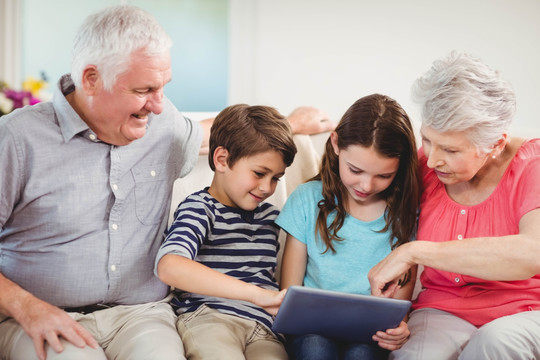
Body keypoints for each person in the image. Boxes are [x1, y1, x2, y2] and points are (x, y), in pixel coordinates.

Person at [0, 5, 334, 360]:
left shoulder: (161, 124)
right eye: (145, 89)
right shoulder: (17, 140)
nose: (159, 106)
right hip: (44, 316)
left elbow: (220, 140)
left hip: (141, 314)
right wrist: (26, 307)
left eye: (164, 88)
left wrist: (290, 122)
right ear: (91, 79)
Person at [368, 52, 540, 359]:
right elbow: (358, 177)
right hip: (442, 311)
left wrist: (415, 251)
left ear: (495, 145)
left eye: (450, 149)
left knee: (495, 342)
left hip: (525, 311)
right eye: (428, 140)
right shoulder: (426, 163)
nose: (432, 160)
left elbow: (532, 253)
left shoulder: (532, 165)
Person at [277, 94, 421, 360]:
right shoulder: (307, 199)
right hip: (310, 331)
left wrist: (400, 328)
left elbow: (400, 305)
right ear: (335, 143)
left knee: (361, 355)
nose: (366, 186)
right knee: (316, 350)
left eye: (383, 175)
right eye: (355, 170)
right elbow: (290, 293)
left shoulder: (405, 212)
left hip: (370, 334)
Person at [155, 104, 297, 360]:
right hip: (210, 317)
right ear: (222, 159)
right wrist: (258, 295)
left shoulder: (271, 217)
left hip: (264, 328)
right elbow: (170, 266)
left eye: (276, 178)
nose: (267, 188)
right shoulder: (200, 208)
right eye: (259, 173)